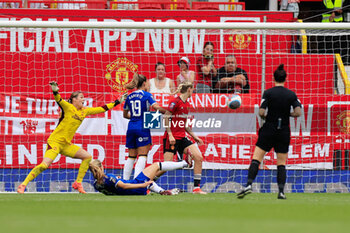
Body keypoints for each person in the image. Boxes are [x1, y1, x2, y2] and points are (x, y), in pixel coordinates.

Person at [17, 82, 127, 194]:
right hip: (55, 142)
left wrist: (117, 101)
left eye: (84, 97)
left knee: (87, 157)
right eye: (81, 97)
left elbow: (102, 108)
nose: (83, 100)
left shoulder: (85, 111)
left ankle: (78, 183)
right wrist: (55, 91)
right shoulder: (68, 107)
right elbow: (59, 100)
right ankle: (23, 184)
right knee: (44, 165)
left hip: (65, 144)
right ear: (74, 99)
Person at [237, 64, 302, 199]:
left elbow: (261, 112)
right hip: (283, 130)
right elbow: (298, 112)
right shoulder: (291, 94)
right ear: (285, 79)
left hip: (269, 129)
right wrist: (286, 114)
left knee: (257, 158)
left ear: (273, 78)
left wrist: (268, 116)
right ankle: (281, 192)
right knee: (281, 162)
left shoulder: (268, 92)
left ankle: (249, 184)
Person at [155, 82, 207, 194]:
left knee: (198, 157)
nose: (193, 92)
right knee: (166, 166)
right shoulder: (175, 101)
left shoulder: (187, 104)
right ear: (189, 89)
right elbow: (166, 117)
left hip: (182, 137)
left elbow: (185, 124)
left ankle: (196, 188)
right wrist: (170, 135)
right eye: (192, 90)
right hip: (171, 138)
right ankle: (148, 183)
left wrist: (195, 137)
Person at [123, 73, 167, 180]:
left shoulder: (129, 96)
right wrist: (166, 111)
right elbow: (156, 106)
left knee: (131, 156)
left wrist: (134, 117)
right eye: (147, 83)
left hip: (131, 127)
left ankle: (124, 181)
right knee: (142, 155)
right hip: (142, 128)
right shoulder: (147, 95)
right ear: (144, 83)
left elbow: (125, 115)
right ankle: (138, 182)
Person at [89, 156, 192, 195]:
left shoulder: (96, 185)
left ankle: (162, 192)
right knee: (156, 166)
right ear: (101, 167)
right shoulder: (109, 177)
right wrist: (143, 185)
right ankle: (185, 163)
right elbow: (124, 186)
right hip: (136, 185)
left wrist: (118, 180)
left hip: (132, 192)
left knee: (149, 177)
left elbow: (112, 190)